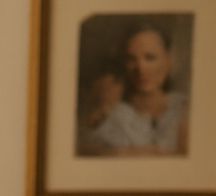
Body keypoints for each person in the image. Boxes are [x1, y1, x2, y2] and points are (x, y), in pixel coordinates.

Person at [81, 21, 188, 155]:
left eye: (150, 58)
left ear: (168, 59)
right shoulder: (112, 115)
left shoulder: (184, 107)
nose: (141, 68)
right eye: (132, 59)